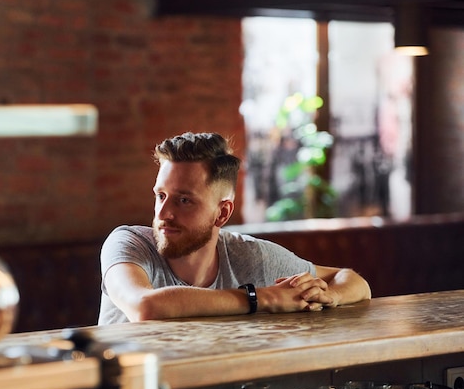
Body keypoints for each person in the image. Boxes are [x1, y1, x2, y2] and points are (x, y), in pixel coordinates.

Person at [98, 132, 371, 325]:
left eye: (184, 200)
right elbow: (145, 307)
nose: (163, 213)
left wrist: (330, 295)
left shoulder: (250, 257)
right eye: (160, 196)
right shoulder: (128, 244)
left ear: (222, 213)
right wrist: (260, 298)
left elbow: (353, 281)